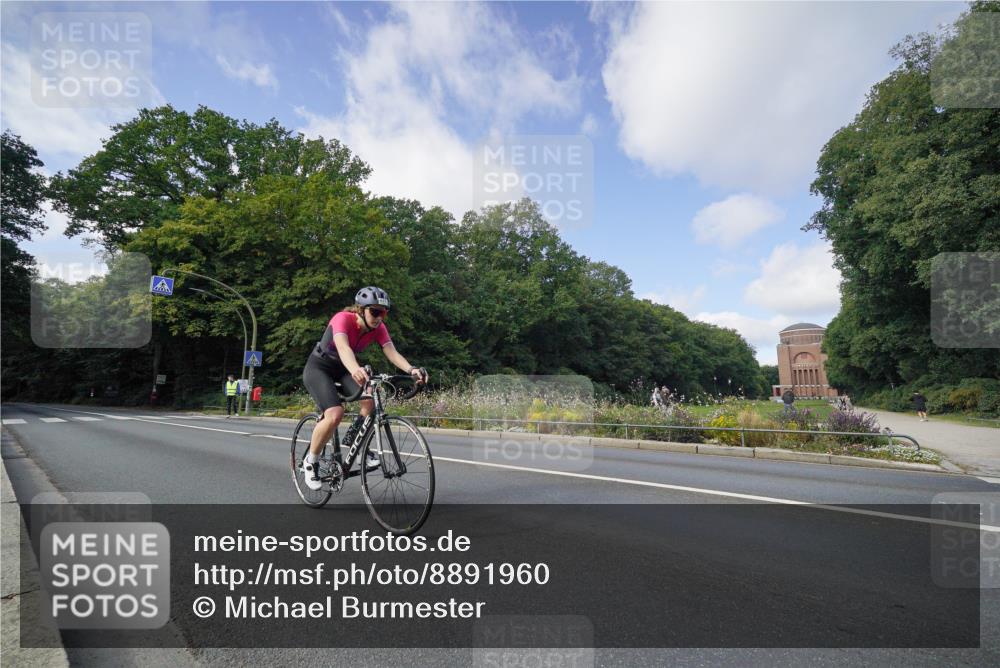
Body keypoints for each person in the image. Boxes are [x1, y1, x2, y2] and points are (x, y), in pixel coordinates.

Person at [300, 286, 428, 490]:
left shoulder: (379, 328)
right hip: (319, 367)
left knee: (371, 397)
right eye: (375, 311)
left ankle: (354, 441)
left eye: (383, 313)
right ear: (361, 309)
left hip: (345, 368)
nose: (379, 317)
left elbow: (392, 352)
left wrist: (411, 370)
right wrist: (355, 369)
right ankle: (311, 461)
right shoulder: (343, 318)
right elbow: (343, 347)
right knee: (334, 414)